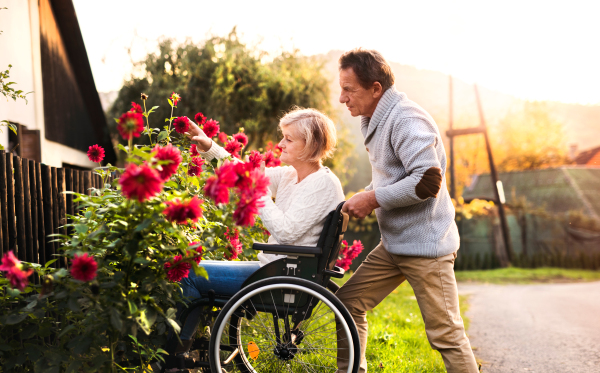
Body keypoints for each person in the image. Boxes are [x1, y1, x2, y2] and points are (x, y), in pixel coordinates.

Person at [335, 49, 479, 373]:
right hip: (395, 245)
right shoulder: (374, 119)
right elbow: (395, 176)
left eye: (349, 89)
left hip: (426, 248)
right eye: (341, 88)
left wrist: (371, 200)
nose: (341, 97)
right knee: (347, 304)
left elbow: (427, 181)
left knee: (446, 334)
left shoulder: (405, 118)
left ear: (375, 89)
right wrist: (367, 194)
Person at [167, 107, 345, 355]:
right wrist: (209, 146)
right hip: (277, 271)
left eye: (289, 139)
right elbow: (244, 174)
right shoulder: (292, 175)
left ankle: (174, 354)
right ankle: (180, 351)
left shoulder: (321, 184)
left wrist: (258, 192)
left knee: (189, 274)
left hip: (282, 278)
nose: (281, 143)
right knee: (194, 269)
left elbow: (286, 231)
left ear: (310, 145)